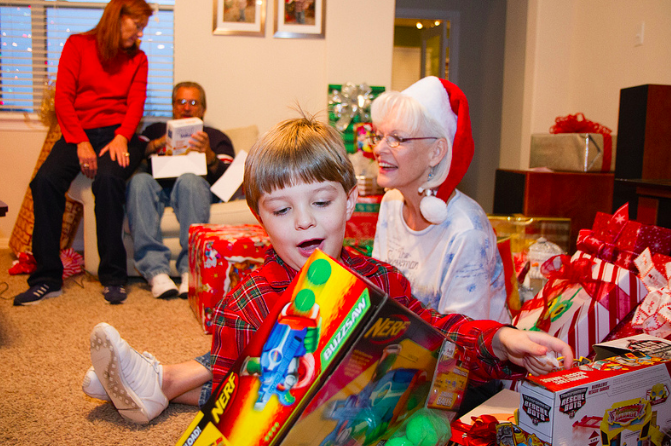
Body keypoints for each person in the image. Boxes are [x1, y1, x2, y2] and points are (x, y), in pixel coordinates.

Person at [82, 113, 574, 424]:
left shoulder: (381, 279)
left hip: (374, 408)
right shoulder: (251, 294)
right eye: (281, 210)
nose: (303, 221)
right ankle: (154, 383)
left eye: (320, 201)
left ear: (350, 201)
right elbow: (231, 390)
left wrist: (500, 339)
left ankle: (154, 382)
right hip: (292, 410)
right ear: (259, 219)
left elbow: (439, 332)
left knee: (466, 377)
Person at [14, 0, 153, 306]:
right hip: (79, 131)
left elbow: (135, 103)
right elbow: (63, 96)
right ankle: (47, 277)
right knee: (44, 183)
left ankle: (114, 276)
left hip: (117, 133)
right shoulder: (78, 45)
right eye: (137, 25)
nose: (140, 34)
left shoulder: (138, 59)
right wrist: (79, 141)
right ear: (118, 17)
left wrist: (121, 137)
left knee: (107, 181)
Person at [371, 76, 510, 324]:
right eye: (380, 136)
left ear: (436, 152)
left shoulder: (466, 231)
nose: (379, 149)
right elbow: (382, 296)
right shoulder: (390, 204)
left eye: (397, 139)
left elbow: (464, 342)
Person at [126, 82, 235, 299]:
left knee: (189, 180)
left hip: (193, 192)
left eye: (193, 103)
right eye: (181, 102)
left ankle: (190, 271)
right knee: (138, 182)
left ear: (203, 109)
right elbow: (130, 158)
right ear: (173, 107)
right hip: (157, 189)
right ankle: (156, 273)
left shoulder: (214, 136)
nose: (187, 108)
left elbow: (230, 180)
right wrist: (157, 144)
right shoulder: (154, 131)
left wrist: (209, 155)